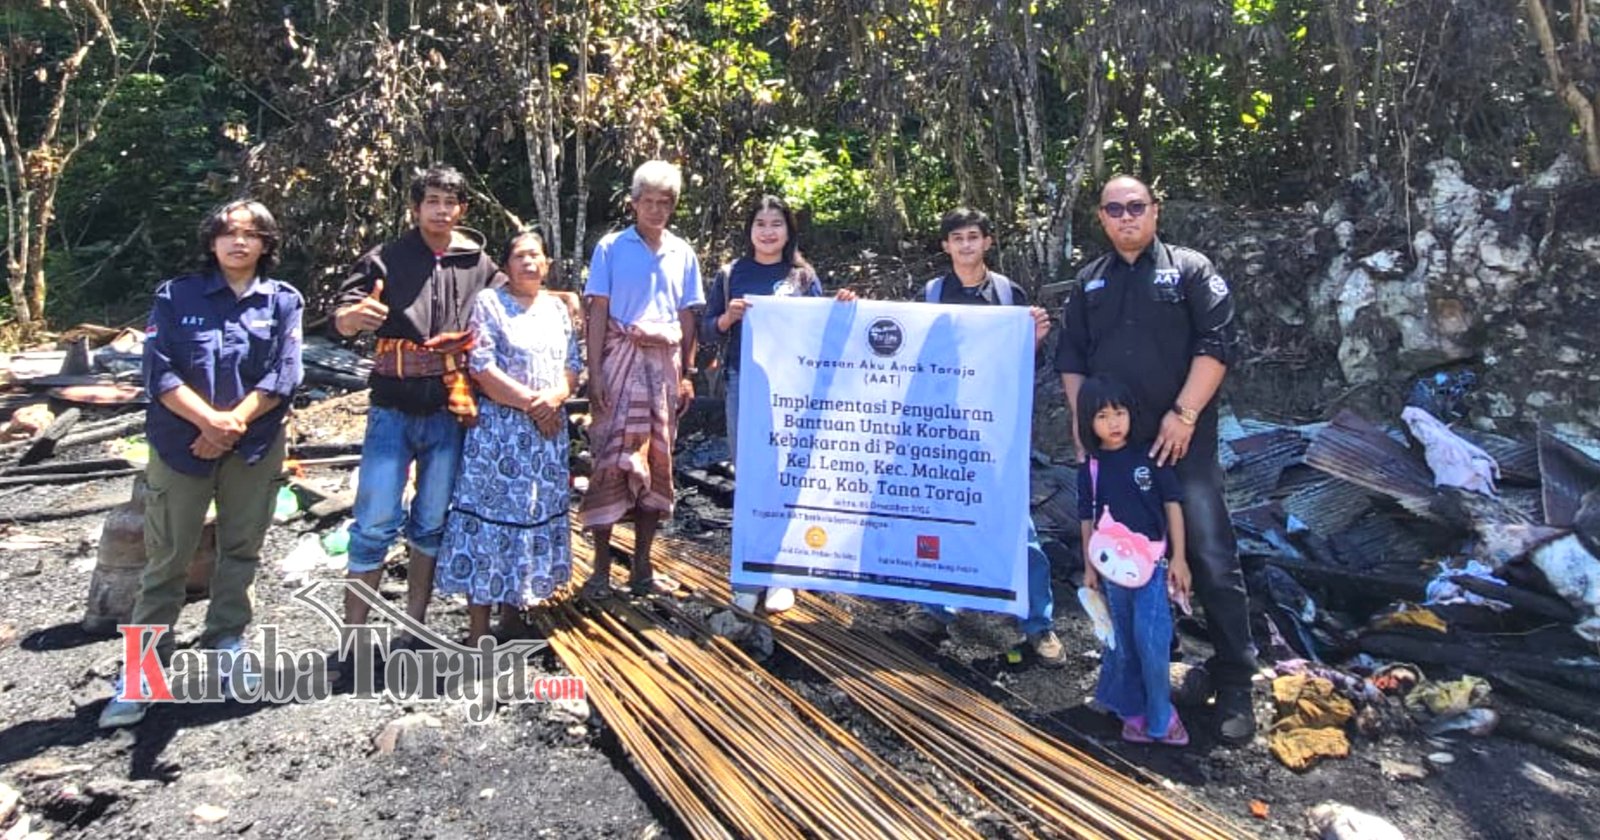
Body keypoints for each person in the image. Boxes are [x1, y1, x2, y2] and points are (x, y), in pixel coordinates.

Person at [1056, 174, 1258, 744]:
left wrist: (1185, 413)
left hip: (1179, 444)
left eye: (1136, 207)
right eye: (1114, 209)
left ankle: (1236, 679)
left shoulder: (1190, 270)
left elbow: (1217, 344)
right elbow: (1071, 356)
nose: (1126, 217)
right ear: (1101, 217)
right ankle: (1146, 677)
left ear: (1155, 211)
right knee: (1123, 563)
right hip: (1116, 451)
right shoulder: (1089, 281)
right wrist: (1080, 421)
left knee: (1210, 555)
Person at [101, 199, 303, 728]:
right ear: (211, 242)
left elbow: (284, 374)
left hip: (254, 446)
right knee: (166, 560)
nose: (239, 242)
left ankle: (226, 642)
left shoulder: (282, 301)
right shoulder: (176, 297)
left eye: (251, 234)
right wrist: (208, 423)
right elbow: (159, 374)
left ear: (266, 244)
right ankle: (142, 671)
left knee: (241, 552)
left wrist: (232, 423)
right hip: (181, 445)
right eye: (228, 233)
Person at [332, 165, 504, 635]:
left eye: (450, 203)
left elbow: (512, 303)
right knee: (374, 522)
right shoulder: (386, 259)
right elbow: (342, 316)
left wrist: (558, 301)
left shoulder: (477, 263)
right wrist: (353, 318)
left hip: (449, 407)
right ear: (415, 208)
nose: (441, 210)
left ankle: (414, 626)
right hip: (392, 405)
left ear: (461, 210)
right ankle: (354, 638)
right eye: (432, 201)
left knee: (430, 522)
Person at [906, 207, 1065, 667]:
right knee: (939, 523)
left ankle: (1038, 624)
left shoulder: (1008, 294)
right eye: (957, 238)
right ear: (946, 246)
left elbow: (1024, 367)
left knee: (1019, 528)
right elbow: (912, 360)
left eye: (974, 237)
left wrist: (1033, 340)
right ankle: (937, 610)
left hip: (996, 431)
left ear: (988, 243)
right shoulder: (931, 294)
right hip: (943, 428)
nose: (966, 246)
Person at [701, 194, 856, 615]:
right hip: (744, 384)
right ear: (749, 231)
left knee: (790, 480)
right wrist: (727, 319)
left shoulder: (804, 277)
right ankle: (749, 577)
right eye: (760, 223)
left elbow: (827, 331)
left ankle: (784, 575)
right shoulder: (731, 274)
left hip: (795, 393)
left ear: (789, 231)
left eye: (777, 224)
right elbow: (706, 332)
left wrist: (842, 306)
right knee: (752, 480)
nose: (768, 231)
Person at [434, 231, 580, 643]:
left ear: (548, 264)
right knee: (490, 528)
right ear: (507, 265)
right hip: (501, 437)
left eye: (536, 255)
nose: (528, 262)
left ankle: (515, 618)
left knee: (530, 525)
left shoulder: (557, 309)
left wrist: (555, 398)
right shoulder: (489, 303)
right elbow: (480, 366)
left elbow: (572, 365)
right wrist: (535, 404)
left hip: (545, 440)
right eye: (519, 256)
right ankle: (480, 633)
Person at [578, 160, 704, 598]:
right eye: (647, 201)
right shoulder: (612, 248)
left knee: (657, 463)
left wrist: (687, 373)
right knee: (610, 462)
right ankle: (598, 569)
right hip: (619, 363)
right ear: (633, 204)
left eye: (663, 203)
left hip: (663, 371)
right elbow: (597, 312)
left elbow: (688, 317)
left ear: (672, 206)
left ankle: (643, 567)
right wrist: (594, 374)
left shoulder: (682, 252)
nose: (655, 210)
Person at [1076, 376, 1192, 746]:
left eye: (1119, 413)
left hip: (1152, 568)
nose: (1113, 423)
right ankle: (1131, 710)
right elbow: (1087, 519)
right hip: (1112, 572)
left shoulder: (1151, 456)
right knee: (1122, 641)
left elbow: (1173, 505)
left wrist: (1180, 558)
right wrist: (1089, 567)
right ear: (1088, 423)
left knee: (1152, 639)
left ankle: (1162, 716)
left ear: (1130, 415)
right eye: (1103, 416)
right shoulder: (1091, 469)